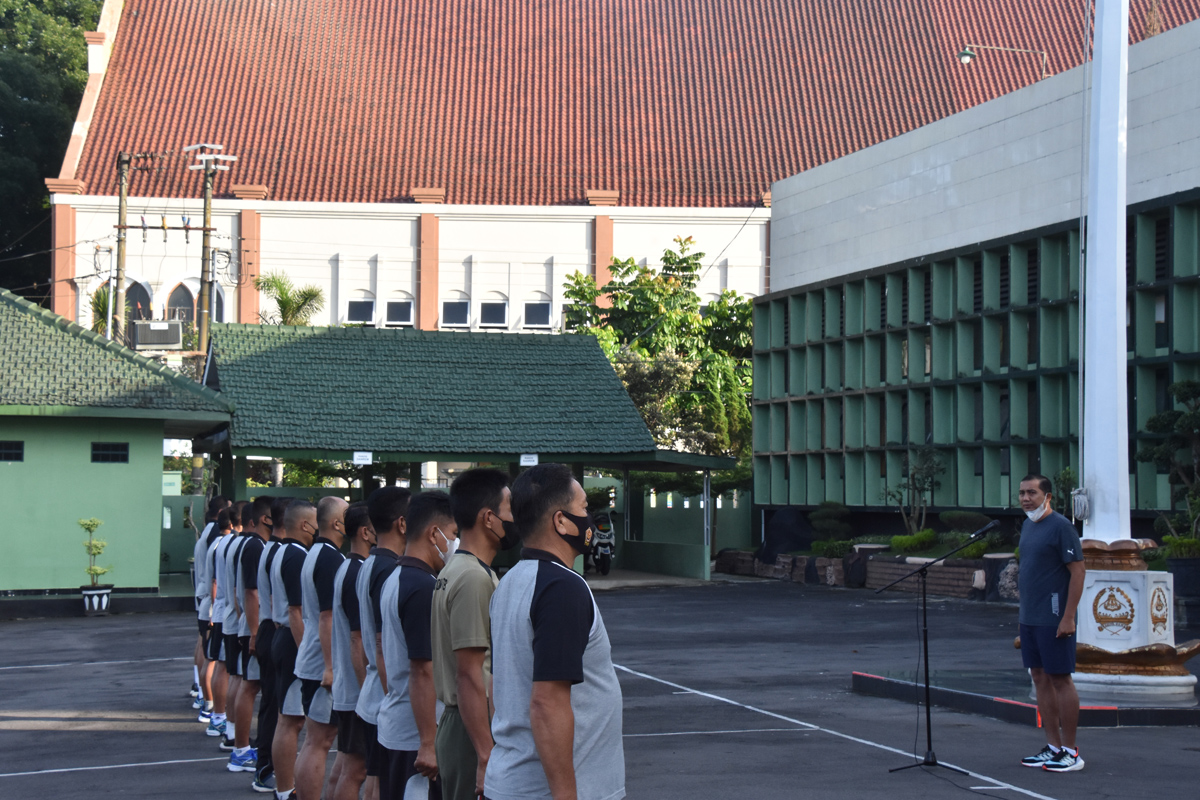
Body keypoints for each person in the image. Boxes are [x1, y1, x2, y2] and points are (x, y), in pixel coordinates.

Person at [486, 463, 625, 800]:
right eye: (583, 509)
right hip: (551, 791)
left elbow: (496, 683)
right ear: (561, 521)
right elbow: (547, 703)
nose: (588, 520)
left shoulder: (510, 582)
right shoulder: (561, 587)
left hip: (511, 781)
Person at [433, 469, 516, 800]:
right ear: (488, 518)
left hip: (464, 723)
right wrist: (485, 754)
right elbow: (469, 674)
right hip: (473, 727)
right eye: (509, 509)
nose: (515, 519)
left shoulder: (458, 570)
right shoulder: (473, 578)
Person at [378, 490, 456, 800]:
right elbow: (423, 669)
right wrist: (428, 742)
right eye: (453, 534)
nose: (455, 542)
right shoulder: (422, 587)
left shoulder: (398, 576)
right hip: (416, 738)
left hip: (399, 725)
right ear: (434, 534)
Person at [1016, 474, 1086, 773]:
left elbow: (1078, 572)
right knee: (1039, 677)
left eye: (1032, 492)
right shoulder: (1028, 525)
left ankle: (1071, 752)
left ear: (1048, 496)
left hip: (1054, 616)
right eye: (1022, 493)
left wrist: (1068, 616)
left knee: (1060, 678)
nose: (1025, 498)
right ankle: (1053, 747)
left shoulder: (1061, 526)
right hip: (1029, 617)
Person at [355, 487, 411, 799]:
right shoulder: (389, 568)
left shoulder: (371, 562)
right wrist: (396, 699)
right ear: (402, 523)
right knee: (383, 785)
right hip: (386, 697)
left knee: (376, 781)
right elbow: (381, 646)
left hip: (375, 694)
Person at [294, 496, 350, 800]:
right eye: (347, 514)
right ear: (337, 523)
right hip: (320, 665)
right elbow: (327, 617)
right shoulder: (329, 558)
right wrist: (330, 668)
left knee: (317, 740)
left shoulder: (317, 552)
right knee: (319, 741)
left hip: (313, 658)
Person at [271, 500, 318, 800]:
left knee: (288, 719)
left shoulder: (280, 550)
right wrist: (306, 656)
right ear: (304, 525)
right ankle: (286, 789)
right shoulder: (297, 556)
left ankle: (285, 787)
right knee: (291, 721)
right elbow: (296, 611)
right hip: (292, 640)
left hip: (284, 637)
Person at [331, 503, 376, 800]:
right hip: (354, 691)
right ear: (365, 532)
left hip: (347, 687)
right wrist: (365, 695)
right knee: (356, 770)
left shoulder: (348, 567)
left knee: (346, 766)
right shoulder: (356, 572)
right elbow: (357, 640)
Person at [229, 496, 274, 774]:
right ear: (264, 519)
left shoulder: (248, 544)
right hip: (253, 624)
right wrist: (255, 632)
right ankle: (241, 749)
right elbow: (250, 592)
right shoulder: (255, 546)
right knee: (250, 685)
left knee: (247, 683)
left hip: (248, 622)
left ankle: (241, 745)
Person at [252, 497, 293, 794]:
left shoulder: (271, 548)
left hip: (270, 627)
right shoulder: (281, 551)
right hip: (275, 626)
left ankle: (265, 765)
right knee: (279, 710)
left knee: (274, 706)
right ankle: (266, 768)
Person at [193, 496, 228, 719]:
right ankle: (209, 705)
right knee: (214, 660)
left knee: (206, 651)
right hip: (211, 602)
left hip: (204, 598)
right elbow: (216, 579)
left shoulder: (207, 533)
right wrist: (215, 610)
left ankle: (203, 695)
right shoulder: (216, 537)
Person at [205, 508, 237, 739]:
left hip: (220, 611)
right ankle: (218, 717)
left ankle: (217, 715)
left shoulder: (218, 543)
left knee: (221, 664)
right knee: (225, 667)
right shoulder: (227, 544)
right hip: (223, 612)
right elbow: (216, 581)